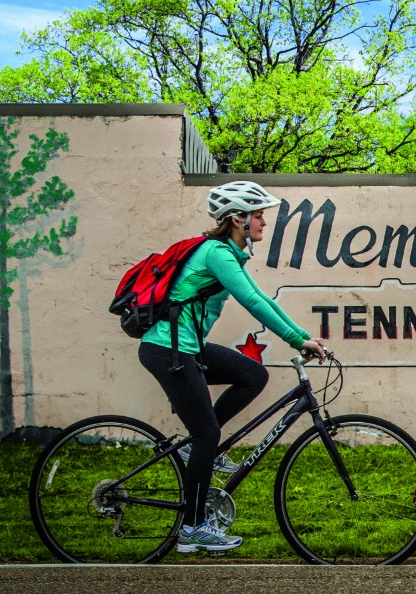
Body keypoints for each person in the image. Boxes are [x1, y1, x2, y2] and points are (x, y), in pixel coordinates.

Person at [138, 181, 326, 554]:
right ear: (237, 219)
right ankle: (192, 528)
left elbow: (261, 298)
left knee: (253, 375)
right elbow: (252, 301)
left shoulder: (225, 254)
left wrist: (303, 336)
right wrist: (296, 339)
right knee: (207, 433)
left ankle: (197, 449)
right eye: (258, 216)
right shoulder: (217, 254)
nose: (263, 223)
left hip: (187, 348)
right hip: (167, 350)